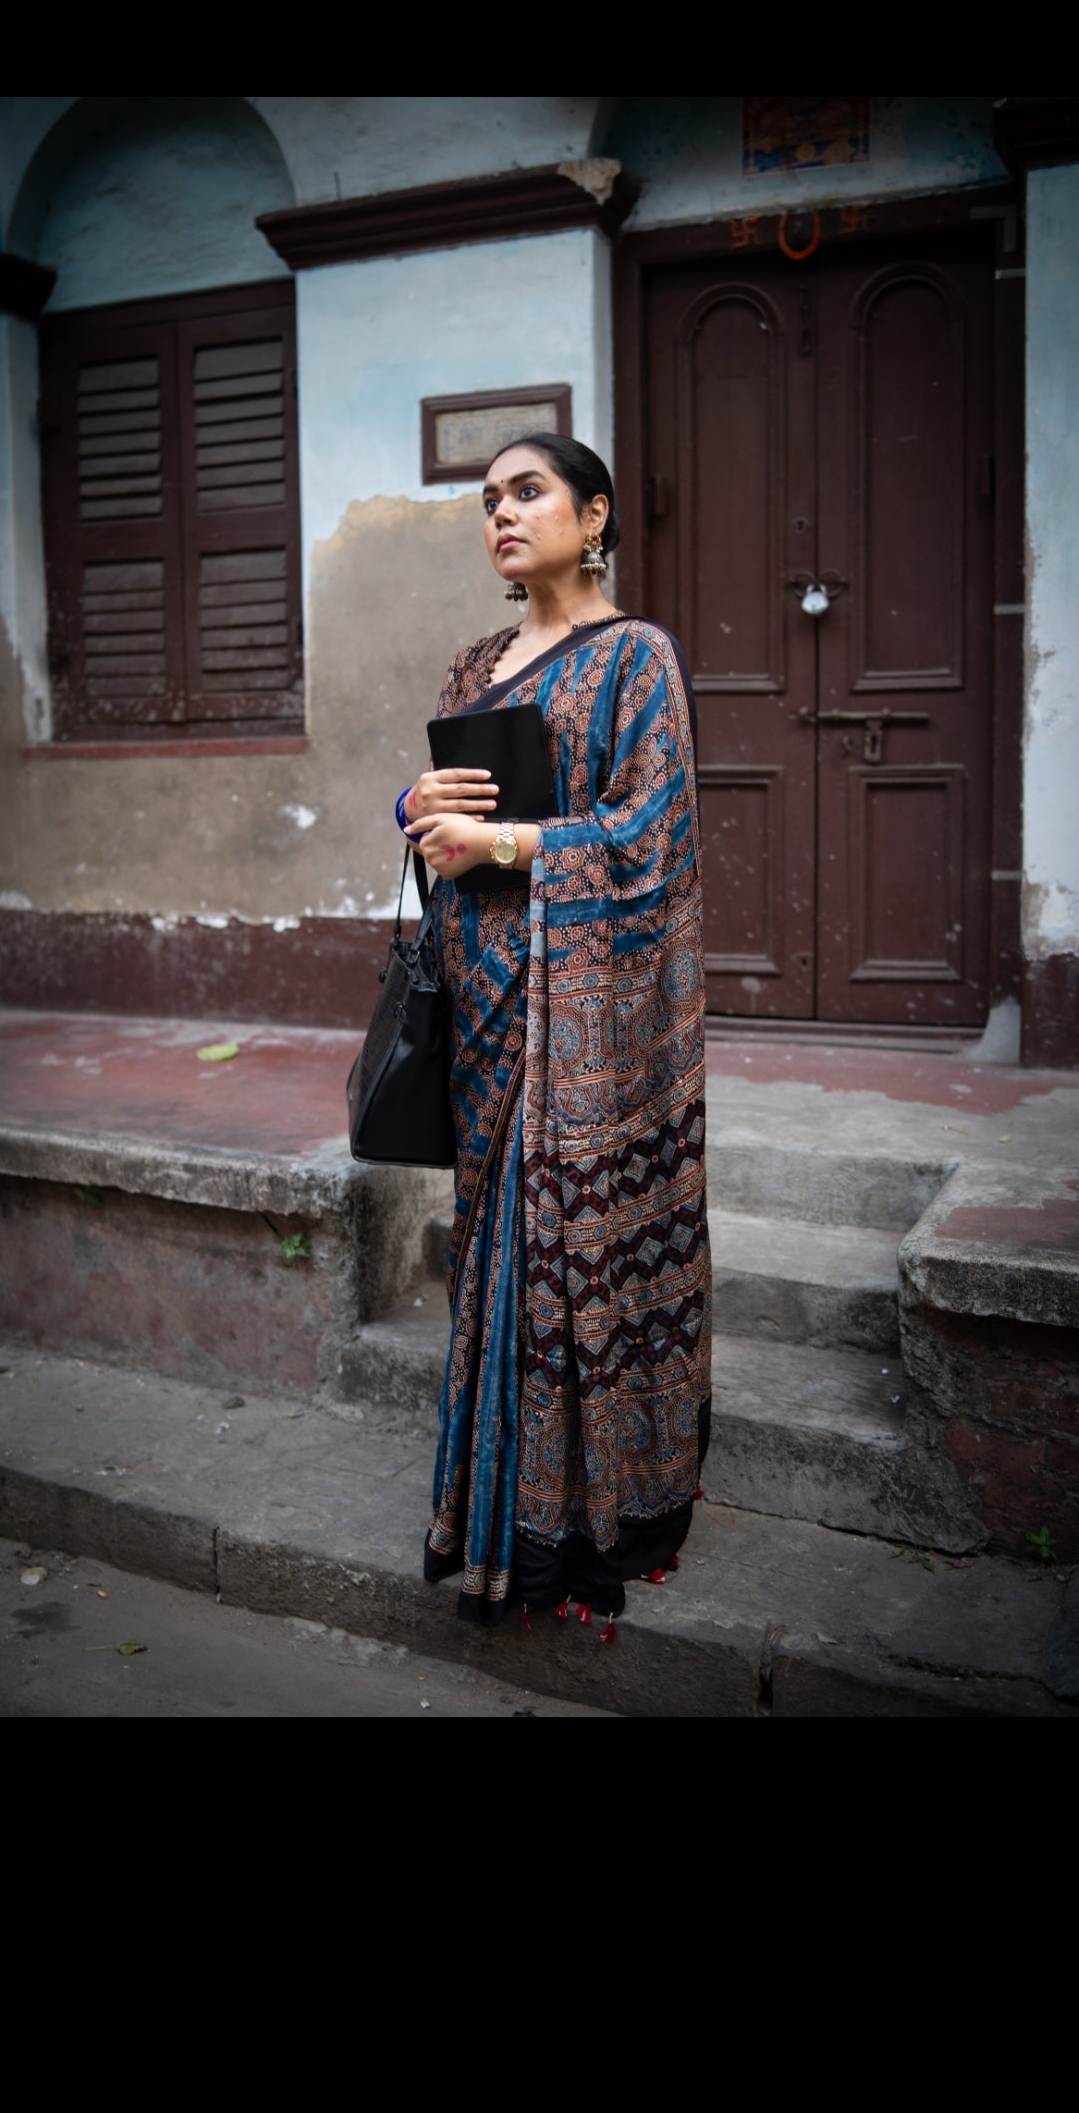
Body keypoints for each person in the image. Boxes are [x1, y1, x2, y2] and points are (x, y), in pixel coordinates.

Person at [397, 433, 711, 1632]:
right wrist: (415, 807)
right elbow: (441, 813)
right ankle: (491, 1524)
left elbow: (654, 835)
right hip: (484, 1000)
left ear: (596, 515)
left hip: (584, 1020)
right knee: (494, 1254)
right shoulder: (476, 662)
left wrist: (517, 847)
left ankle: (584, 1533)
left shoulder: (638, 658)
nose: (502, 516)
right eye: (488, 502)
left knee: (567, 1263)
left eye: (528, 493)